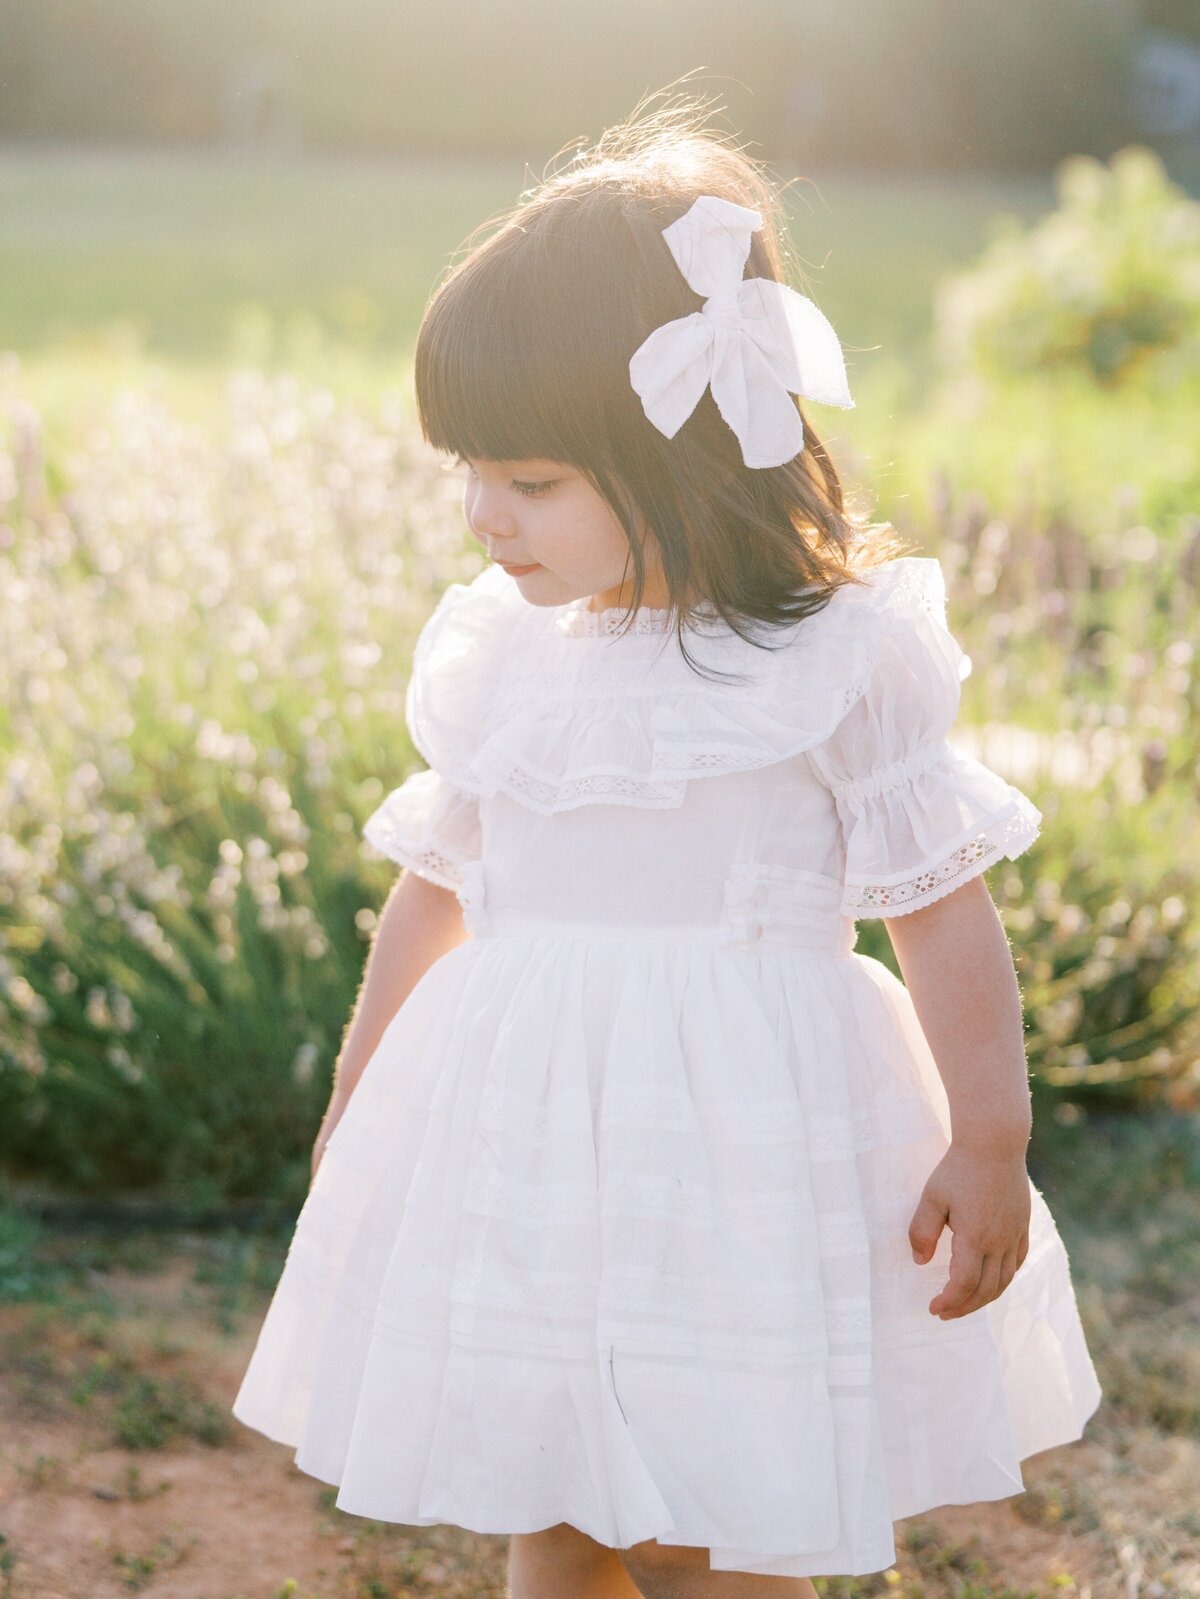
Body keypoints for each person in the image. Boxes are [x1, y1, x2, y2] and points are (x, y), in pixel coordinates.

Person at [232, 92, 1102, 1598]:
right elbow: (433, 896)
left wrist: (990, 1134)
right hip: (528, 1131)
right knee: (550, 1491)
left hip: (740, 1139)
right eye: (473, 473)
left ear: (689, 450)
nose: (482, 518)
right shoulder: (505, 656)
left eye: (535, 484)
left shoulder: (836, 656)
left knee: (712, 1510)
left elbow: (937, 910)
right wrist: (360, 1099)